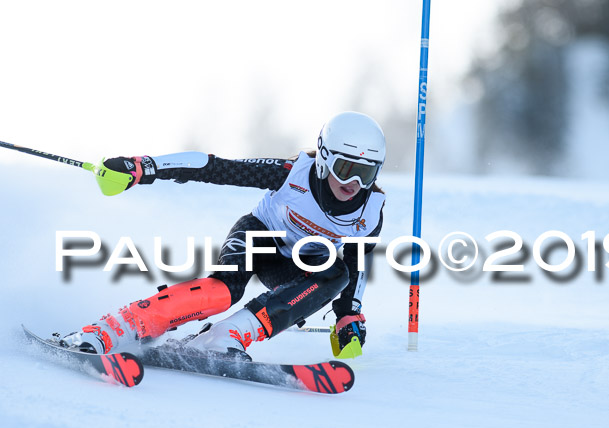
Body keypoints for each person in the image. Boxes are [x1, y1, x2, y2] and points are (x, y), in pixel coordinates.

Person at [59, 111, 386, 360]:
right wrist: (145, 166)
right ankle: (111, 329)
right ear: (325, 158)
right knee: (223, 292)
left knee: (337, 272)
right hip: (259, 236)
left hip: (299, 266)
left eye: (366, 173)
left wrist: (349, 313)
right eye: (346, 169)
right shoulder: (291, 175)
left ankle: (224, 337)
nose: (353, 184)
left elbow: (358, 262)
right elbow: (213, 167)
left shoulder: (370, 212)